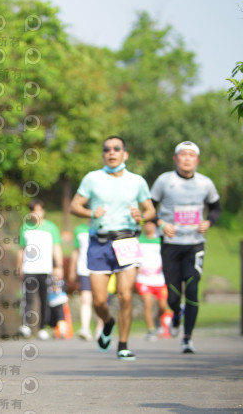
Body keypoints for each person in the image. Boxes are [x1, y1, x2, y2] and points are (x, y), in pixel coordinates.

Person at [70, 136, 156, 361]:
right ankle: (108, 323)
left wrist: (142, 215)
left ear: (124, 154)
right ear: (103, 155)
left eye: (117, 149)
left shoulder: (137, 181)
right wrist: (91, 213)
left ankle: (124, 345)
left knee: (125, 295)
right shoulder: (92, 178)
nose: (112, 152)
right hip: (99, 242)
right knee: (99, 300)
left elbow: (150, 210)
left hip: (127, 240)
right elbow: (74, 206)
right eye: (107, 149)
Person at [150, 141, 221, 354]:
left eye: (192, 155)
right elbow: (149, 208)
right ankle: (176, 313)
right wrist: (162, 224)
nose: (187, 158)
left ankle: (187, 339)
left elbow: (216, 208)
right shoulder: (164, 181)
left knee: (191, 288)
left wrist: (209, 222)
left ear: (197, 160)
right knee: (172, 294)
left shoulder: (205, 183)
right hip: (170, 244)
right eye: (183, 154)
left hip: (194, 244)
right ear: (176, 158)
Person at [17, 199, 65, 340]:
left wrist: (59, 265)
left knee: (45, 299)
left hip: (46, 269)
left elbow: (56, 247)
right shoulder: (25, 227)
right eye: (33, 210)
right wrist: (19, 267)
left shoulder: (51, 228)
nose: (36, 213)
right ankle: (26, 326)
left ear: (43, 211)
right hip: (29, 268)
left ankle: (43, 327)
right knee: (28, 298)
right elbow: (22, 249)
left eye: (39, 210)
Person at [136, 220, 171, 341]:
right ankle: (151, 330)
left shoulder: (160, 240)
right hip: (143, 279)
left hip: (159, 279)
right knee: (147, 303)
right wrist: (136, 269)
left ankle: (157, 319)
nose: (148, 226)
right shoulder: (138, 239)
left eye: (151, 224)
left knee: (163, 306)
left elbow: (167, 257)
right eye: (146, 224)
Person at [69, 222, 103, 341]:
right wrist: (72, 270)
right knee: (85, 299)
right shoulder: (79, 229)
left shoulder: (104, 226)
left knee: (100, 300)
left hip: (100, 269)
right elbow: (76, 251)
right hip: (84, 269)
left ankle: (100, 329)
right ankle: (85, 328)